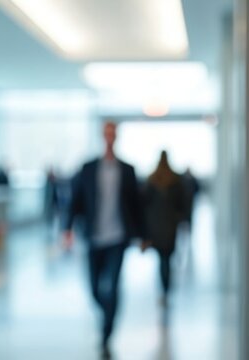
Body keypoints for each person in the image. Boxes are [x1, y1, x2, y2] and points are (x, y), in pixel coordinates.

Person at [62, 121, 147, 359]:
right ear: (102, 136)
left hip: (118, 238)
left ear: (116, 136)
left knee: (113, 285)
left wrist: (144, 235)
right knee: (94, 288)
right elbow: (75, 199)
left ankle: (106, 333)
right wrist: (66, 228)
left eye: (113, 132)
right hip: (93, 237)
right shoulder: (88, 168)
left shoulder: (127, 170)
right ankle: (108, 312)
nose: (109, 136)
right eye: (106, 132)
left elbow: (136, 206)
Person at [142, 151, 186, 308]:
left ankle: (164, 289)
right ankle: (166, 290)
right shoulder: (176, 180)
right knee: (167, 259)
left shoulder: (152, 179)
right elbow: (182, 204)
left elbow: (144, 205)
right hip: (170, 226)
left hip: (156, 226)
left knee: (162, 260)